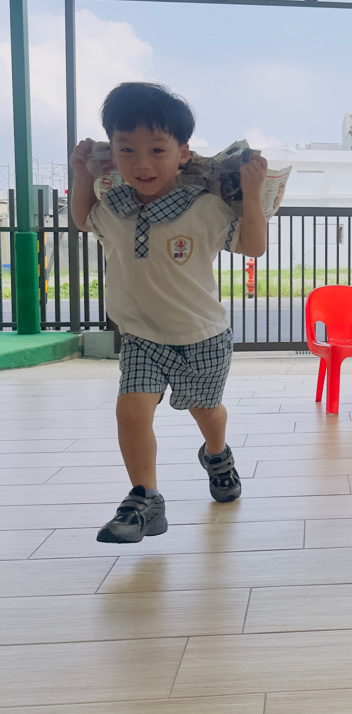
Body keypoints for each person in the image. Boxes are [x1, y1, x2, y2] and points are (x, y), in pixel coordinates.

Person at [69, 82, 268, 543]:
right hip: (142, 336)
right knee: (131, 410)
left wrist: (252, 192)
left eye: (157, 150)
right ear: (112, 152)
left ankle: (216, 454)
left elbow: (253, 245)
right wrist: (81, 174)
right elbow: (82, 218)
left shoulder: (205, 208)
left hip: (202, 335)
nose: (141, 163)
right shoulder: (114, 206)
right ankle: (145, 499)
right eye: (126, 149)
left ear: (183, 154)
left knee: (206, 412)